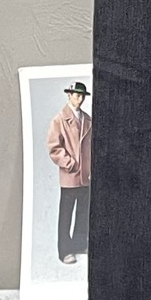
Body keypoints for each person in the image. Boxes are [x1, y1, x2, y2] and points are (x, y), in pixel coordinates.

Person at [46, 80, 93, 264]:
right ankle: (65, 251)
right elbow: (54, 147)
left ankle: (79, 244)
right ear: (69, 95)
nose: (80, 99)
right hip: (70, 175)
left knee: (83, 212)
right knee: (66, 214)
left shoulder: (88, 119)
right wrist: (70, 163)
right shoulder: (59, 120)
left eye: (82, 96)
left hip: (86, 176)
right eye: (77, 95)